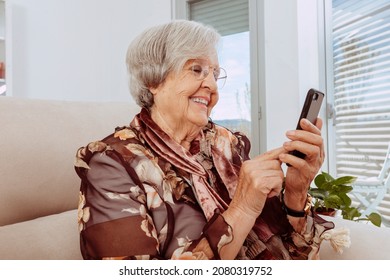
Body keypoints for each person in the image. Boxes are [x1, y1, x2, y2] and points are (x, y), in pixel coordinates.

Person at [74, 19, 340, 260]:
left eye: (214, 73)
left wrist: (295, 193)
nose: (212, 86)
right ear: (153, 80)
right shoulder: (111, 165)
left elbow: (292, 253)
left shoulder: (226, 145)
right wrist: (243, 208)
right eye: (197, 69)